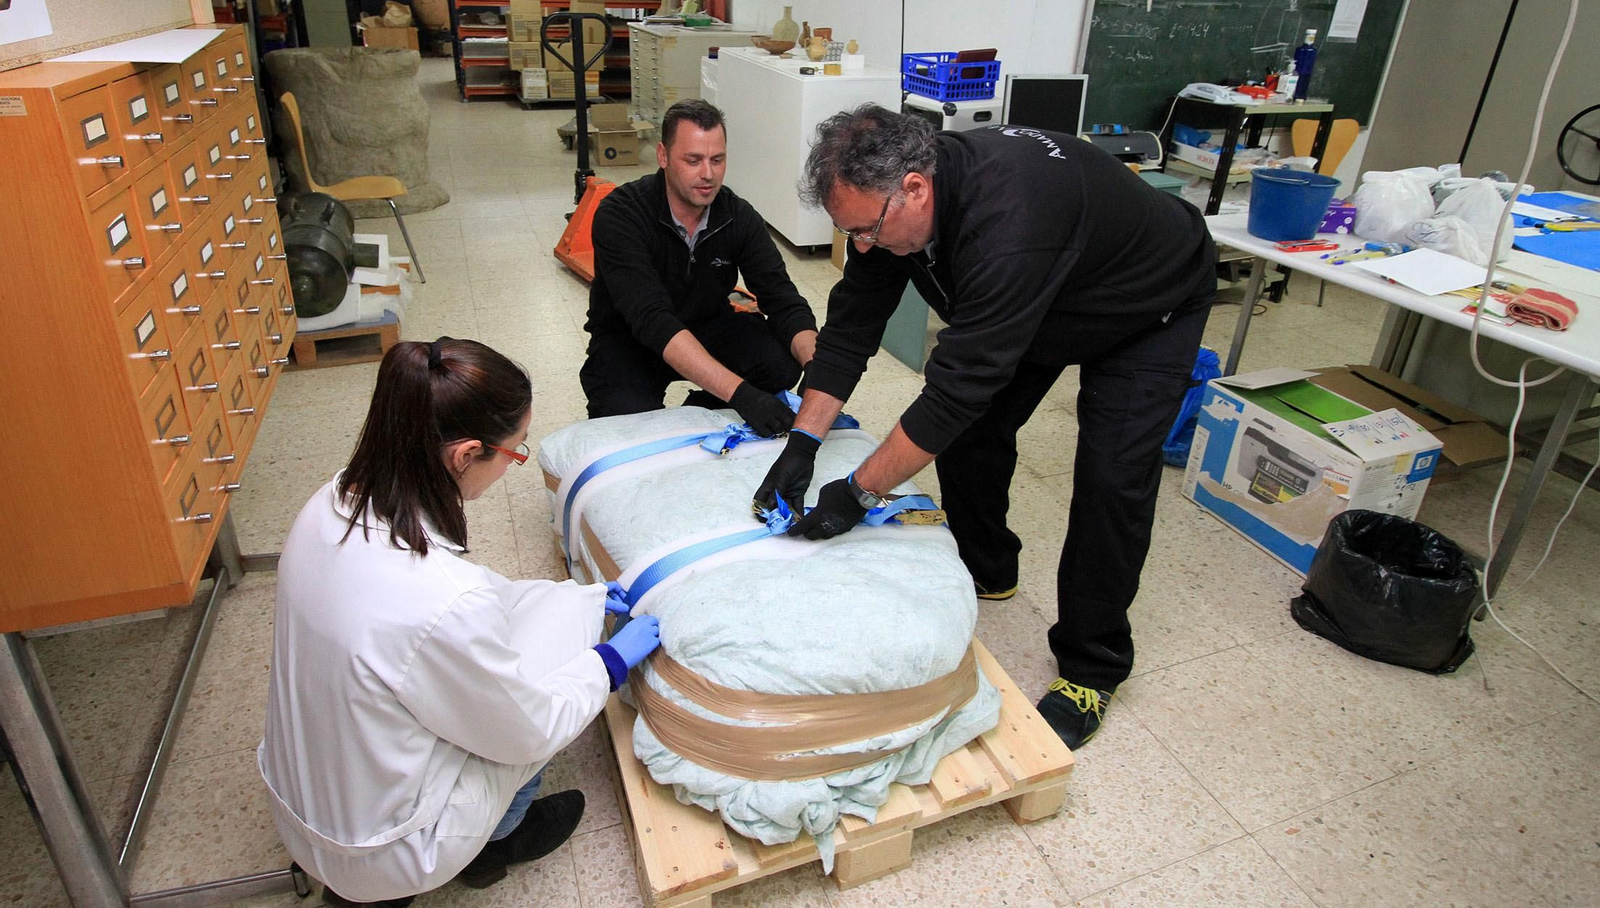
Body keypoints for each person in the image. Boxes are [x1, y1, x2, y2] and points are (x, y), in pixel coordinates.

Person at [754, 107, 1216, 749]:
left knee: (1113, 478)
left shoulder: (1011, 224)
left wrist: (856, 493)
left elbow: (952, 396)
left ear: (915, 187)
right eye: (847, 231)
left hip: (1145, 306)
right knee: (973, 436)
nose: (861, 246)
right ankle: (987, 566)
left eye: (867, 230)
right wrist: (803, 444)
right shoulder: (887, 211)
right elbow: (853, 326)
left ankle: (1093, 666)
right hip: (1048, 296)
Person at [259, 337, 662, 907]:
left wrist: (584, 600)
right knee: (556, 683)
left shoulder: (333, 501)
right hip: (386, 848)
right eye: (514, 454)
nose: (511, 468)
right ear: (465, 454)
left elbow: (478, 603)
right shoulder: (438, 600)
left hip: (306, 796)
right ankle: (498, 840)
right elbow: (529, 724)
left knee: (550, 624)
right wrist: (608, 665)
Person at [581, 98, 818, 435]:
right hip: (630, 339)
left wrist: (816, 364)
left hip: (706, 325)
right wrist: (743, 395)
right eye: (693, 160)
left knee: (779, 363)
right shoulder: (621, 215)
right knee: (623, 422)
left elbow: (782, 298)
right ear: (663, 156)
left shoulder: (738, 216)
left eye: (717, 160)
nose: (707, 174)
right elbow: (652, 319)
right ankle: (700, 404)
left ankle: (700, 414)